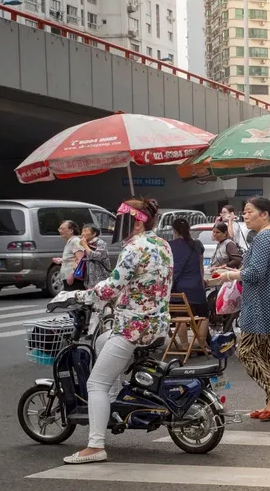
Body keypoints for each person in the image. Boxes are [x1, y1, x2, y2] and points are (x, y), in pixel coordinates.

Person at [62, 198, 172, 465]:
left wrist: (77, 295)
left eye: (120, 219)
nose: (115, 225)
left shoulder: (134, 248)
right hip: (158, 325)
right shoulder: (162, 244)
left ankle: (95, 445)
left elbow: (111, 287)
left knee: (95, 383)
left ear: (135, 221)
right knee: (101, 341)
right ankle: (112, 402)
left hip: (133, 328)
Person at [214, 197, 270, 421]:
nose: (245, 216)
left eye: (249, 212)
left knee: (246, 352)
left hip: (261, 304)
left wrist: (228, 275)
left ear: (264, 214)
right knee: (268, 354)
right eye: (244, 212)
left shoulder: (264, 237)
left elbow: (254, 273)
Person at [168, 218, 209, 347]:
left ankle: (185, 346)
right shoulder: (197, 245)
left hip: (178, 289)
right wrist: (202, 282)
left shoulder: (169, 246)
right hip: (196, 288)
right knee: (204, 316)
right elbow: (201, 267)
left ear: (174, 231)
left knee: (181, 318)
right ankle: (201, 345)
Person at [76, 224, 111, 289]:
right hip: (89, 278)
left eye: (86, 231)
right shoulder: (87, 243)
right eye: (82, 231)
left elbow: (96, 256)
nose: (83, 234)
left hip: (100, 278)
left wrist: (85, 245)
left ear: (94, 234)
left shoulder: (100, 243)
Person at [52, 220, 82, 291]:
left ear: (71, 230)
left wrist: (72, 275)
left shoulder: (75, 241)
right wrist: (62, 260)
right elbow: (72, 258)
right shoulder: (70, 241)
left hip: (74, 278)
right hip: (67, 277)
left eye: (63, 229)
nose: (60, 231)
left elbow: (80, 259)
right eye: (59, 229)